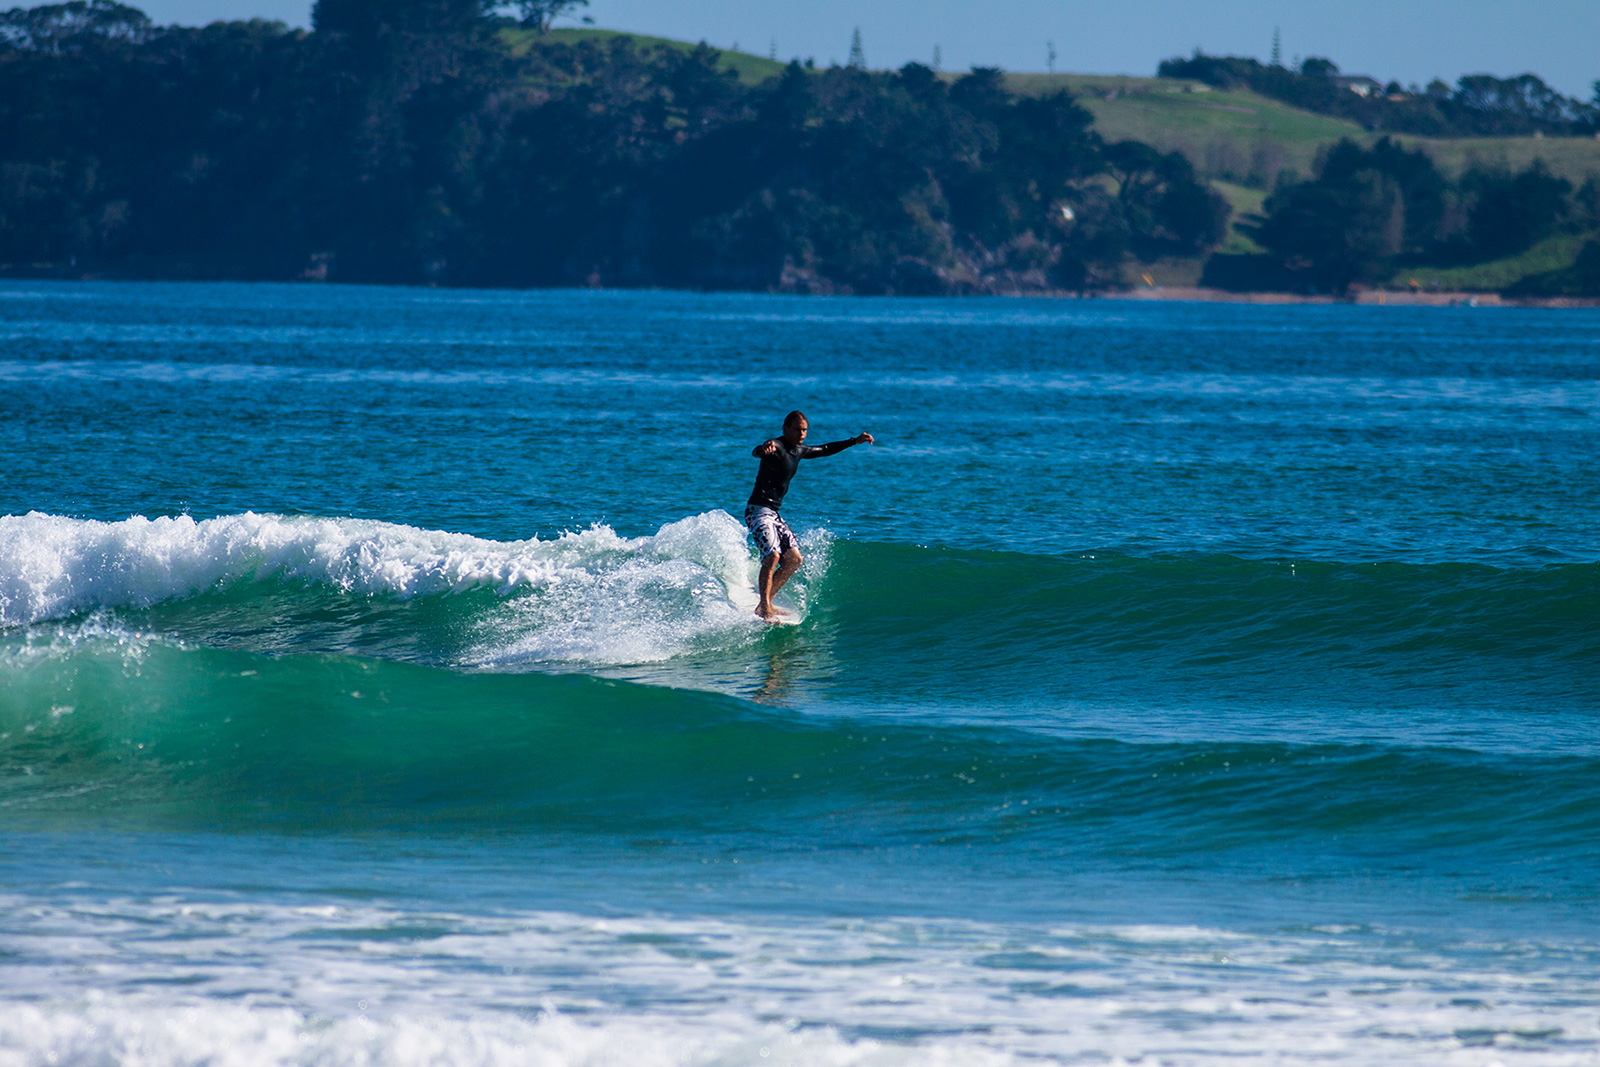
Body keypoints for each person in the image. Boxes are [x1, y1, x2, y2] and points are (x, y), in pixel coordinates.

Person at [745, 410, 873, 620]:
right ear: (785, 428)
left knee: (794, 559)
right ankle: (766, 609)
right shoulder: (775, 446)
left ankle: (764, 603)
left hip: (774, 513)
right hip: (757, 511)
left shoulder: (799, 450)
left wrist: (854, 441)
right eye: (798, 429)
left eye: (804, 430)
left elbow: (824, 449)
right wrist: (763, 448)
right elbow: (758, 451)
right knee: (772, 556)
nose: (802, 434)